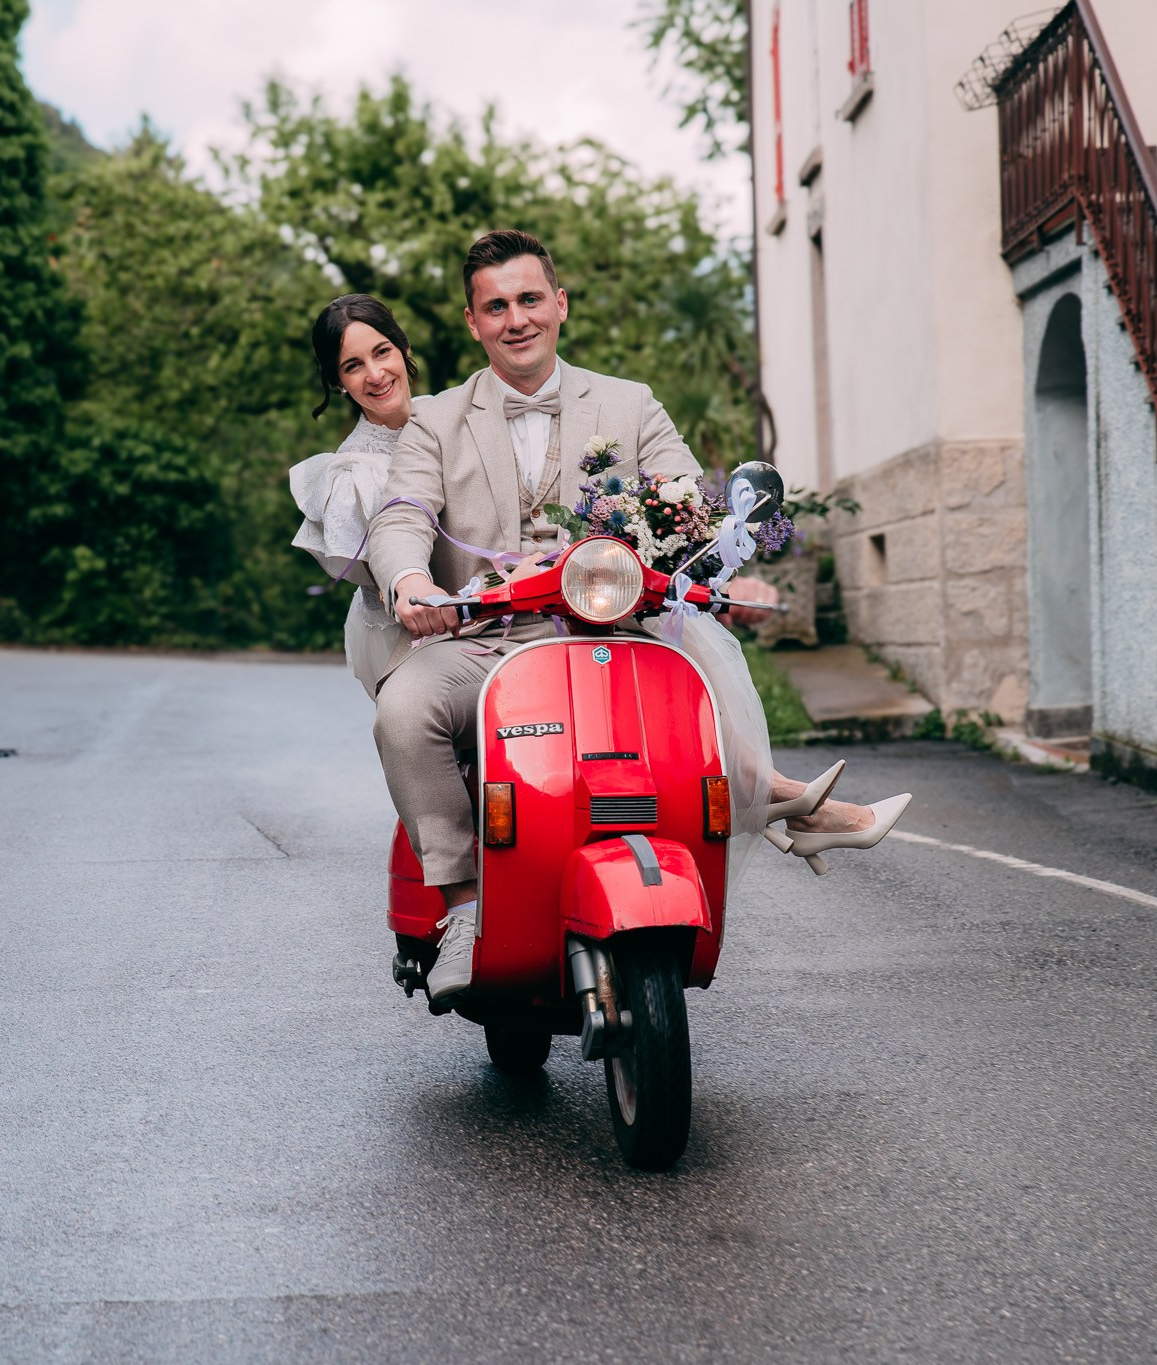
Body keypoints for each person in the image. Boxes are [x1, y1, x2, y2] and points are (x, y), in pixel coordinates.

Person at [363, 231, 906, 1000]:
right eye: (496, 307)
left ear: (560, 304)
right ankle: (460, 904)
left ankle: (750, 811)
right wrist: (411, 579)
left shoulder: (628, 402)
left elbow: (686, 501)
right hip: (486, 636)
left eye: (528, 299)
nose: (515, 319)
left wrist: (720, 554)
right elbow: (402, 512)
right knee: (404, 706)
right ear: (472, 322)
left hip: (618, 630)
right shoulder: (435, 421)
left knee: (696, 706)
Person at [289, 295, 432, 694]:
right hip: (401, 633)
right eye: (353, 366)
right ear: (337, 383)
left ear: (404, 348)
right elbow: (383, 577)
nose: (375, 374)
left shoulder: (448, 416)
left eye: (382, 352)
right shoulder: (353, 475)